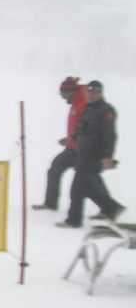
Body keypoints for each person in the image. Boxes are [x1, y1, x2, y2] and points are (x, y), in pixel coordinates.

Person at [59, 80, 123, 228]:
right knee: (83, 187)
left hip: (95, 154)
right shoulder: (88, 109)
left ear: (100, 93)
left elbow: (110, 135)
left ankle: (76, 219)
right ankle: (111, 209)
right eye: (88, 91)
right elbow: (83, 130)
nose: (90, 94)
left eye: (94, 92)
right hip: (84, 153)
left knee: (79, 187)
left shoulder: (106, 110)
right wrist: (71, 139)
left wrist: (108, 157)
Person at [33, 77, 87, 212]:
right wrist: (70, 140)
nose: (62, 98)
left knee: (90, 179)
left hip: (84, 149)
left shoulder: (84, 103)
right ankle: (50, 203)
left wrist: (74, 139)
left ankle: (109, 208)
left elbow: (88, 128)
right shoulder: (76, 102)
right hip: (72, 147)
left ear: (71, 91)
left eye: (63, 94)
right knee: (54, 170)